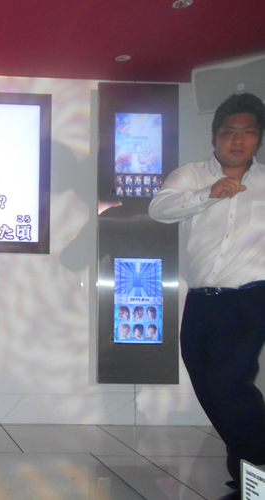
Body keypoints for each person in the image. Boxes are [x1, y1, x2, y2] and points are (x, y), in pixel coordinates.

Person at [149, 93, 265, 500]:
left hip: (249, 300)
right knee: (206, 384)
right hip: (201, 300)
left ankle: (256, 476)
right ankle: (248, 464)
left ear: (259, 138)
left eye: (249, 132)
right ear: (214, 137)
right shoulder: (192, 175)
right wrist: (208, 194)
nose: (238, 140)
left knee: (229, 383)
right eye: (229, 132)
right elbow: (159, 210)